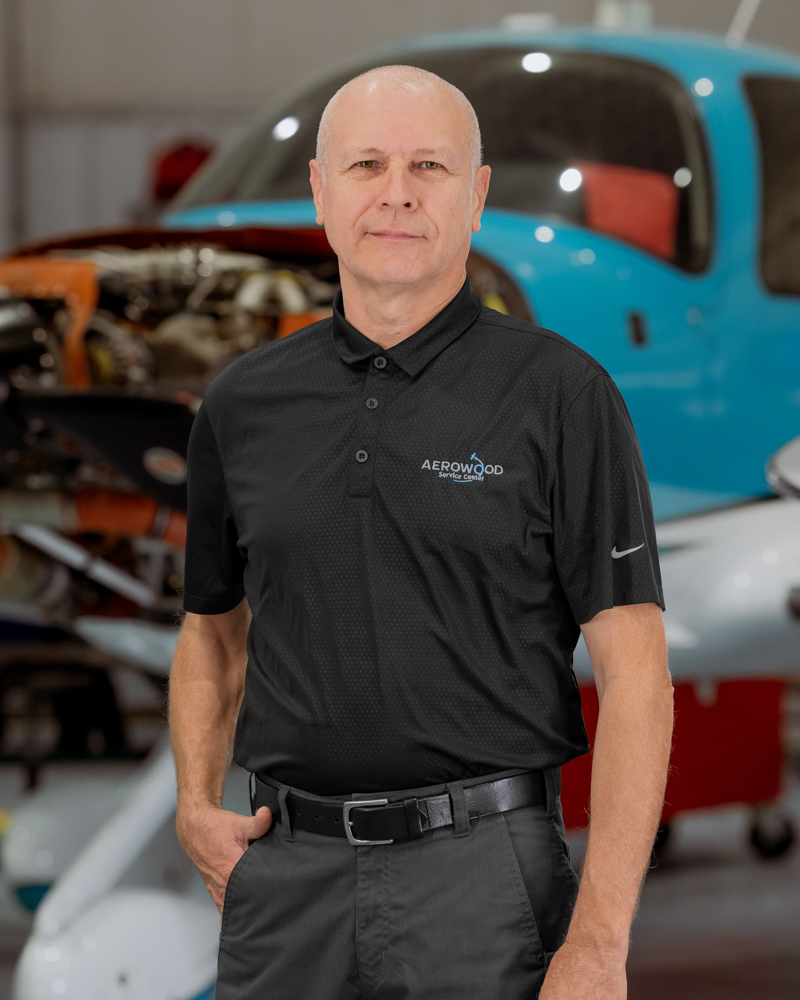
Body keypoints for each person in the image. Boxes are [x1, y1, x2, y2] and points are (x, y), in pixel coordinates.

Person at [169, 65, 673, 1000]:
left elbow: (637, 675)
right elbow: (212, 632)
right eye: (366, 164)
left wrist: (601, 941)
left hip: (483, 882)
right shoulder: (241, 405)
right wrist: (195, 803)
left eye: (429, 166)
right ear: (321, 191)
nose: (396, 192)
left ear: (476, 196)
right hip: (285, 881)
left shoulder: (564, 396)